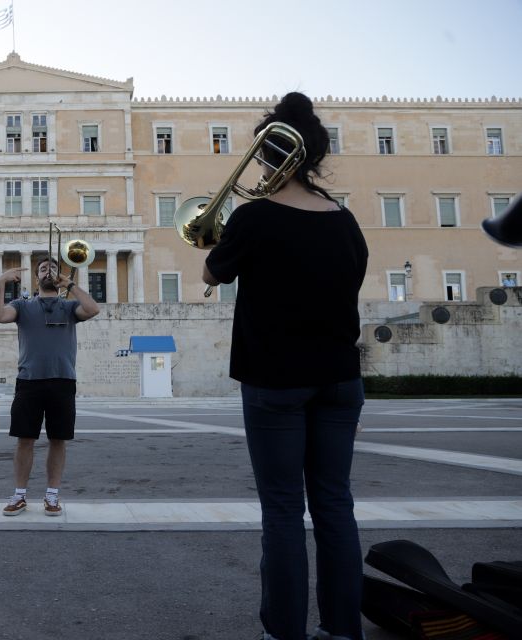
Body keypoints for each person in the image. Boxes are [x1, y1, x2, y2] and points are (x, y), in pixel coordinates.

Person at [202, 92, 369, 640]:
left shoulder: (253, 217)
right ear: (315, 157)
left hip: (276, 380)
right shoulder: (346, 222)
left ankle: (285, 631)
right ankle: (344, 630)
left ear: (267, 158)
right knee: (334, 507)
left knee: (281, 512)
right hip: (341, 380)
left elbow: (211, 274)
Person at [0, 258, 99, 516]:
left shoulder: (71, 306)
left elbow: (93, 309)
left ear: (58, 276)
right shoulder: (22, 306)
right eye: (42, 269)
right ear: (36, 279)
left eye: (52, 268)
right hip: (29, 382)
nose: (47, 272)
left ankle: (52, 496)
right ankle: (19, 495)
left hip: (62, 380)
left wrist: (70, 284)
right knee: (24, 439)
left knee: (58, 440)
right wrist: (0, 282)